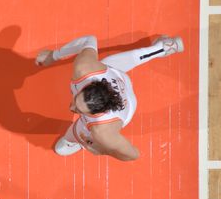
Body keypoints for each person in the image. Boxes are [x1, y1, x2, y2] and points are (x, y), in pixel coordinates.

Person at [35, 34, 184, 161]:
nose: (71, 107)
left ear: (96, 113)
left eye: (79, 110)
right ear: (88, 86)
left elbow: (133, 154)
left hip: (129, 104)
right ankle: (163, 47)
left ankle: (73, 141)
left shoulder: (102, 131)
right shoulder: (84, 68)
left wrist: (104, 149)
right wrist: (54, 55)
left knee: (82, 132)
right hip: (118, 76)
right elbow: (89, 39)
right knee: (105, 65)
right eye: (76, 101)